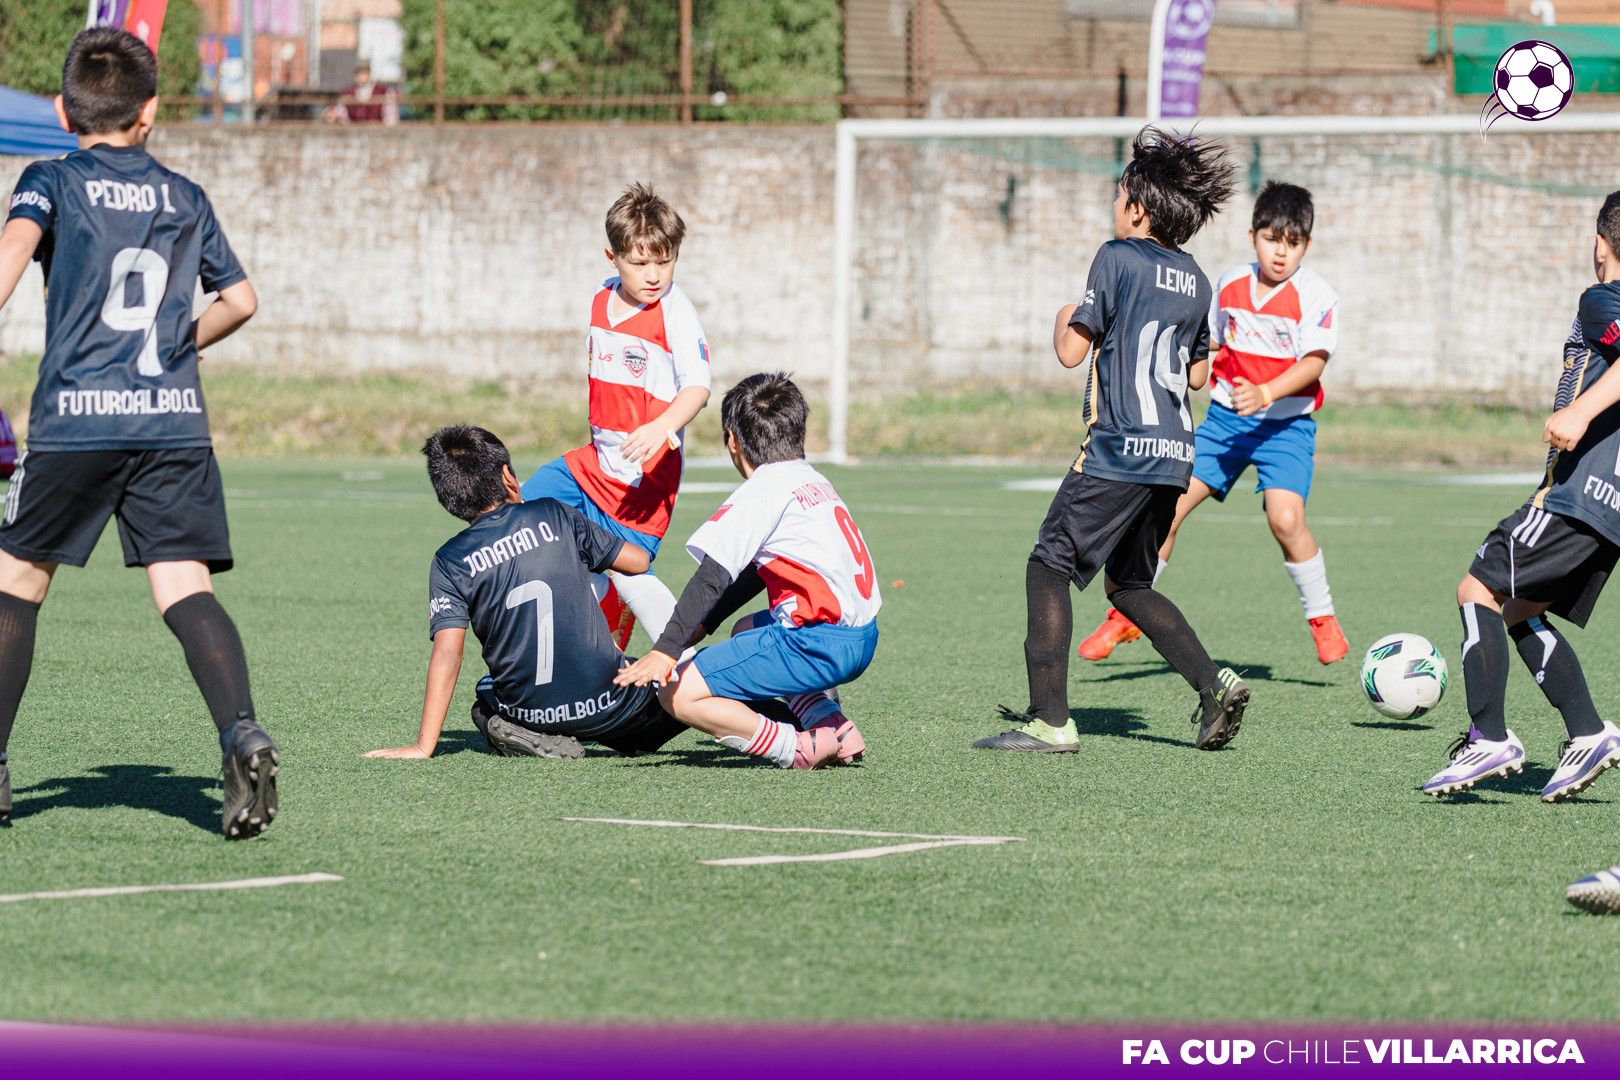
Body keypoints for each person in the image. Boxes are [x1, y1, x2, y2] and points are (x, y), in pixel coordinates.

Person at [0, 29, 272, 836]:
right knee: (185, 587)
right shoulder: (184, 196)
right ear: (149, 111)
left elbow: (13, 253)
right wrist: (176, 343)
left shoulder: (49, 179)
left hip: (77, 419)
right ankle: (241, 732)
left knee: (17, 584)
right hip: (172, 421)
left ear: (62, 112)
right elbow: (242, 301)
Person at [974, 127, 1250, 755]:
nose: (1115, 203)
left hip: (1120, 448)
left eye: (1119, 193)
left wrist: (1063, 319)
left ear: (1139, 209)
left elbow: (1072, 352)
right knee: (1129, 586)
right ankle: (1213, 684)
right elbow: (1199, 376)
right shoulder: (1198, 279)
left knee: (1049, 565)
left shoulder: (1116, 256)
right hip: (1175, 456)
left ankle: (1050, 721)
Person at [1078, 181, 1349, 666]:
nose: (1280, 252)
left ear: (1307, 245)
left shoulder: (1317, 295)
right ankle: (1126, 613)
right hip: (1225, 424)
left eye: (1292, 243)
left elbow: (1314, 362)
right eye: (1271, 239)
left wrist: (1265, 392)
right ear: (1252, 236)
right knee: (1168, 510)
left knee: (1286, 520)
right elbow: (1209, 342)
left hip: (1285, 428)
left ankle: (1322, 617)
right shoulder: (1229, 284)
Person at [1422, 192, 1620, 801]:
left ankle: (1488, 737)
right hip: (1606, 504)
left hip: (1581, 494)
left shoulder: (1603, 298)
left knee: (1477, 589)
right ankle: (1588, 732)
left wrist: (1581, 411)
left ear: (1599, 243)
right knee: (1518, 609)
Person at [365, 426, 686, 761]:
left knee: (484, 699)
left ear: (449, 500)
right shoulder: (555, 513)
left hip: (532, 712)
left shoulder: (450, 560)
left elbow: (448, 653)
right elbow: (638, 561)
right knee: (689, 685)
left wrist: (423, 746)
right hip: (613, 706)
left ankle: (529, 733)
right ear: (508, 476)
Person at [615, 373, 877, 770]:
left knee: (677, 693)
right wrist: (706, 624)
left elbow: (711, 577)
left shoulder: (761, 491)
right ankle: (830, 723)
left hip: (815, 645)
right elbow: (756, 570)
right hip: (861, 638)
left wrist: (664, 652)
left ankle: (796, 748)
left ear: (733, 441)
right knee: (745, 629)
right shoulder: (812, 479)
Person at [520, 183, 711, 651]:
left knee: (630, 570)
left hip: (642, 479)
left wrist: (662, 426)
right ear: (613, 258)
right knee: (521, 518)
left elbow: (698, 388)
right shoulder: (599, 299)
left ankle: (686, 666)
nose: (654, 275)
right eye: (640, 263)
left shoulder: (676, 312)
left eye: (664, 261)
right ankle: (604, 603)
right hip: (592, 465)